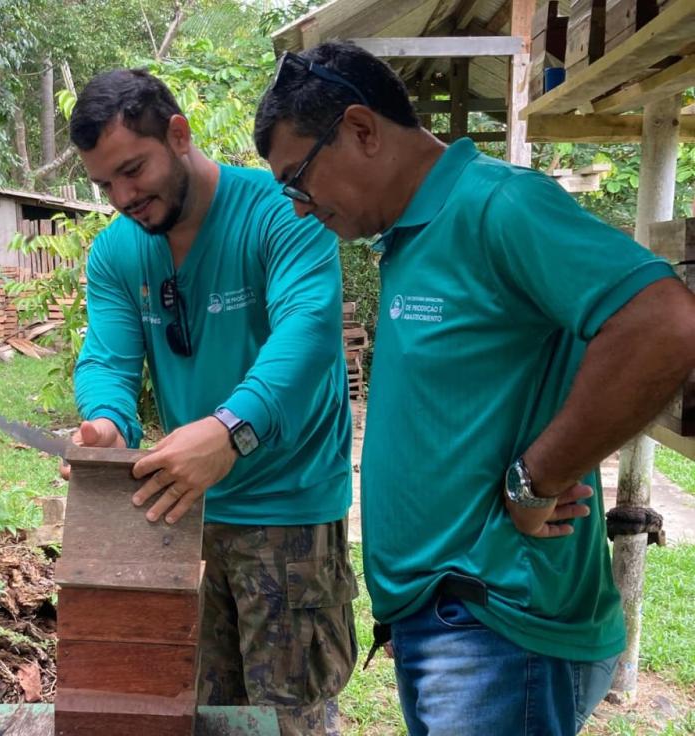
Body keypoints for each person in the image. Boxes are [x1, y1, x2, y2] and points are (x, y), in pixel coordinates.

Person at [254, 41, 695, 735]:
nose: (302, 209)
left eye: (299, 179)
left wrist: (534, 479)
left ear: (362, 131)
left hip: (495, 628)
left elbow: (663, 323)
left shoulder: (496, 204)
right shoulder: (410, 234)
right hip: (446, 621)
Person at [64, 68, 358, 735]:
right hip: (183, 510)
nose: (122, 197)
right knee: (202, 712)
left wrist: (230, 429)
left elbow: (305, 336)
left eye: (133, 170)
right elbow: (109, 358)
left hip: (291, 509)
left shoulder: (285, 212)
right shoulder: (116, 252)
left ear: (178, 133)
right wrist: (106, 423)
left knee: (292, 720)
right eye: (104, 184)